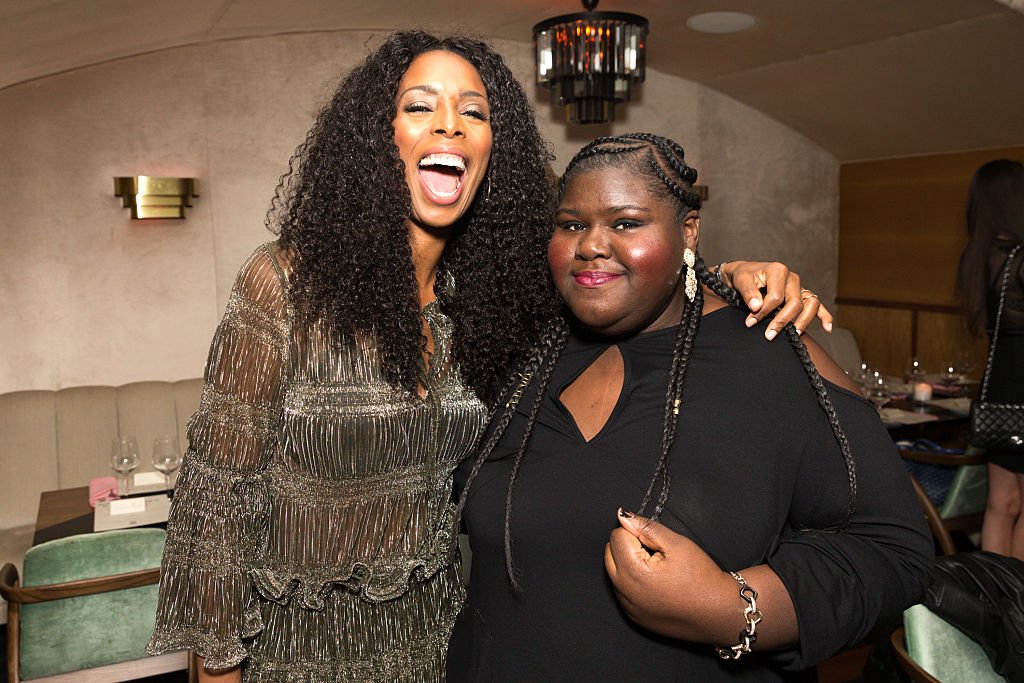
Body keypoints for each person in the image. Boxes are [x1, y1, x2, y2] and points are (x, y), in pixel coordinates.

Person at [146, 32, 831, 680]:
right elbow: (214, 498)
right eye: (420, 107)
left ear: (490, 152)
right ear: (376, 141)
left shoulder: (499, 301)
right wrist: (219, 662)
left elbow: (621, 274)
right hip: (298, 649)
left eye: (472, 113)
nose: (448, 125)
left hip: (440, 641)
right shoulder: (284, 284)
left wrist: (729, 277)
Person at [448, 133, 934, 681]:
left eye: (626, 223)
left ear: (687, 231)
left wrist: (730, 608)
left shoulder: (772, 358)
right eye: (571, 224)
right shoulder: (527, 354)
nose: (591, 245)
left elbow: (896, 554)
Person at [958, 159, 1024, 561]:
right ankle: (1018, 610)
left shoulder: (980, 255)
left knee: (1001, 502)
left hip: (1000, 386)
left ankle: (996, 601)